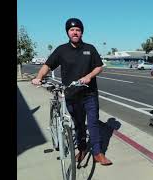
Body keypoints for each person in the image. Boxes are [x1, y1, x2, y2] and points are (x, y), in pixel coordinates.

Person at [31, 18, 112, 165]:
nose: (75, 32)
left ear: (81, 32)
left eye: (78, 30)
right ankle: (81, 151)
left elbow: (99, 67)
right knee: (79, 125)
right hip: (71, 95)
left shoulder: (90, 48)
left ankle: (98, 153)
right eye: (72, 30)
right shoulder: (61, 50)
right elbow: (47, 65)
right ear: (68, 32)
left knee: (93, 123)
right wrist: (38, 77)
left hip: (89, 93)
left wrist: (89, 76)